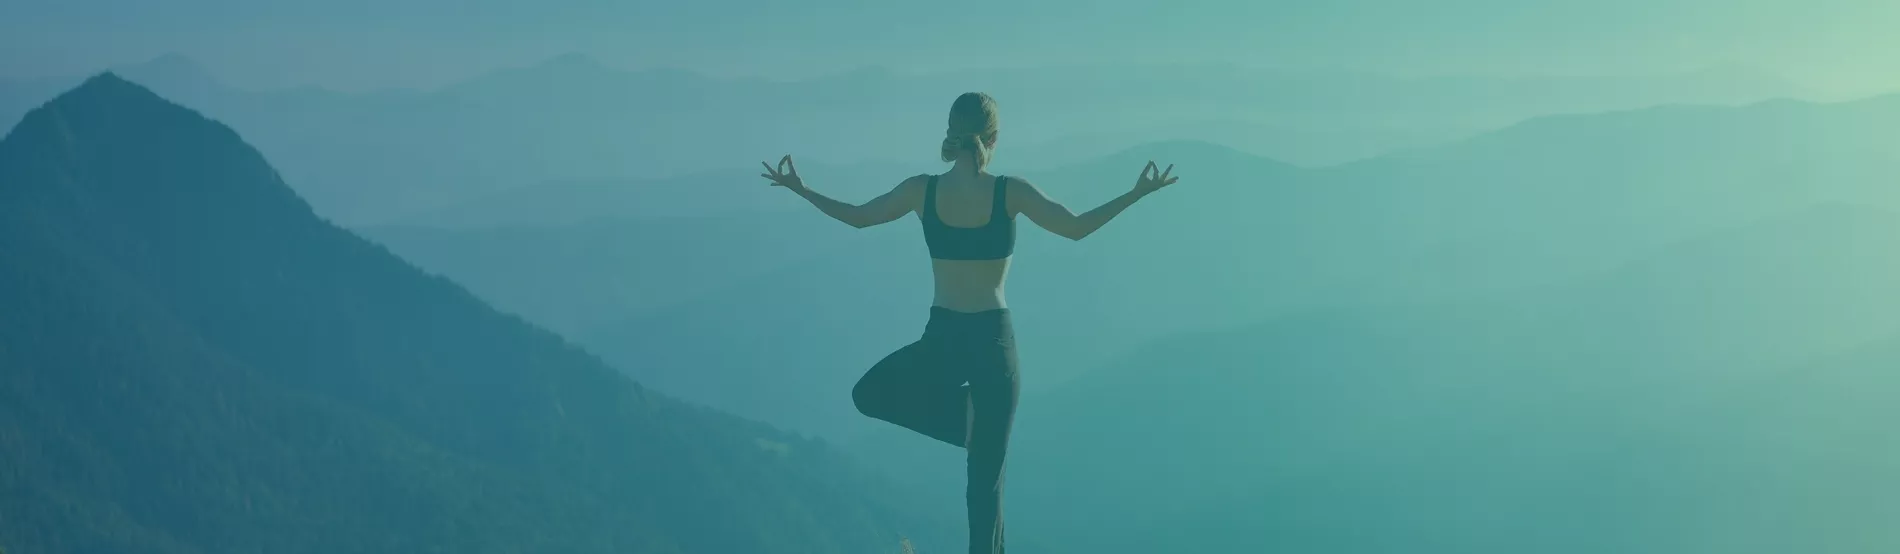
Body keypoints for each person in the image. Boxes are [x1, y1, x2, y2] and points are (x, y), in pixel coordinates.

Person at [759, 92, 1180, 554]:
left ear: (949, 132)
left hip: (942, 339)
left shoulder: (922, 189)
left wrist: (802, 189)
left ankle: (968, 420)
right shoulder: (1009, 191)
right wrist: (1137, 194)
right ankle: (974, 420)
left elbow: (859, 218)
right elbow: (1076, 227)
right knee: (984, 500)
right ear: (994, 138)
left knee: (870, 393)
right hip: (994, 345)